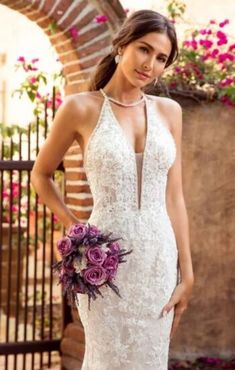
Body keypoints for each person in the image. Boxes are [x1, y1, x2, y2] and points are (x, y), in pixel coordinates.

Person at [31, 9, 194, 370]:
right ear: (122, 45)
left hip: (159, 263)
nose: (150, 63)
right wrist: (76, 226)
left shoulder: (170, 111)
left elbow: (174, 196)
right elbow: (41, 175)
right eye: (143, 49)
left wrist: (188, 273)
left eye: (161, 58)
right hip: (104, 261)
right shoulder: (80, 108)